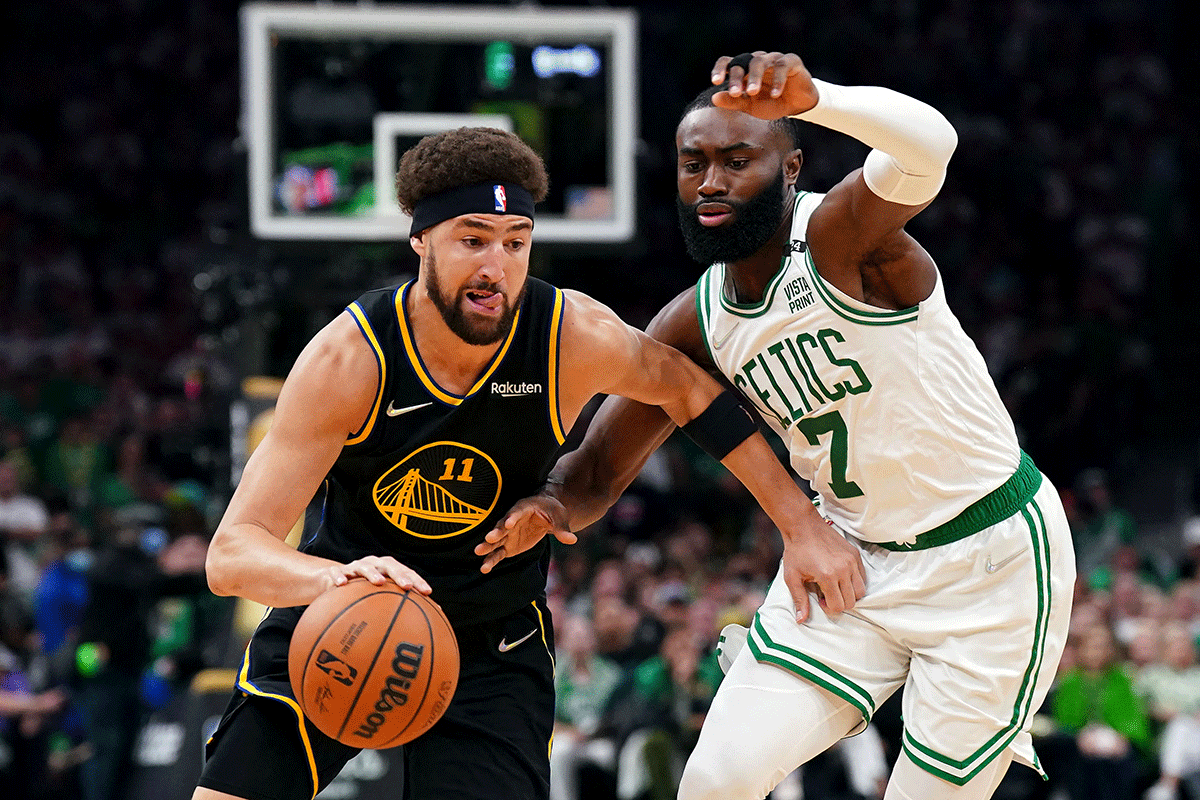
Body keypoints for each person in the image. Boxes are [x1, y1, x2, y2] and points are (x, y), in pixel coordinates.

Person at [194, 126, 863, 800]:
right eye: (473, 239)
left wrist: (801, 527)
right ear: (420, 239)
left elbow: (691, 390)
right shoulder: (351, 359)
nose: (497, 266)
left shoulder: (569, 336)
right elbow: (232, 556)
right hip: (343, 626)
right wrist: (337, 580)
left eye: (516, 241)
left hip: (493, 645)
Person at [480, 52, 1077, 800]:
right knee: (715, 780)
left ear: (790, 168)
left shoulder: (839, 236)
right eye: (693, 163)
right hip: (849, 560)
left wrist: (819, 96)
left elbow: (930, 147)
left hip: (986, 558)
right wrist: (552, 506)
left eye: (738, 160)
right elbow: (598, 470)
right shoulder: (693, 320)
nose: (712, 182)